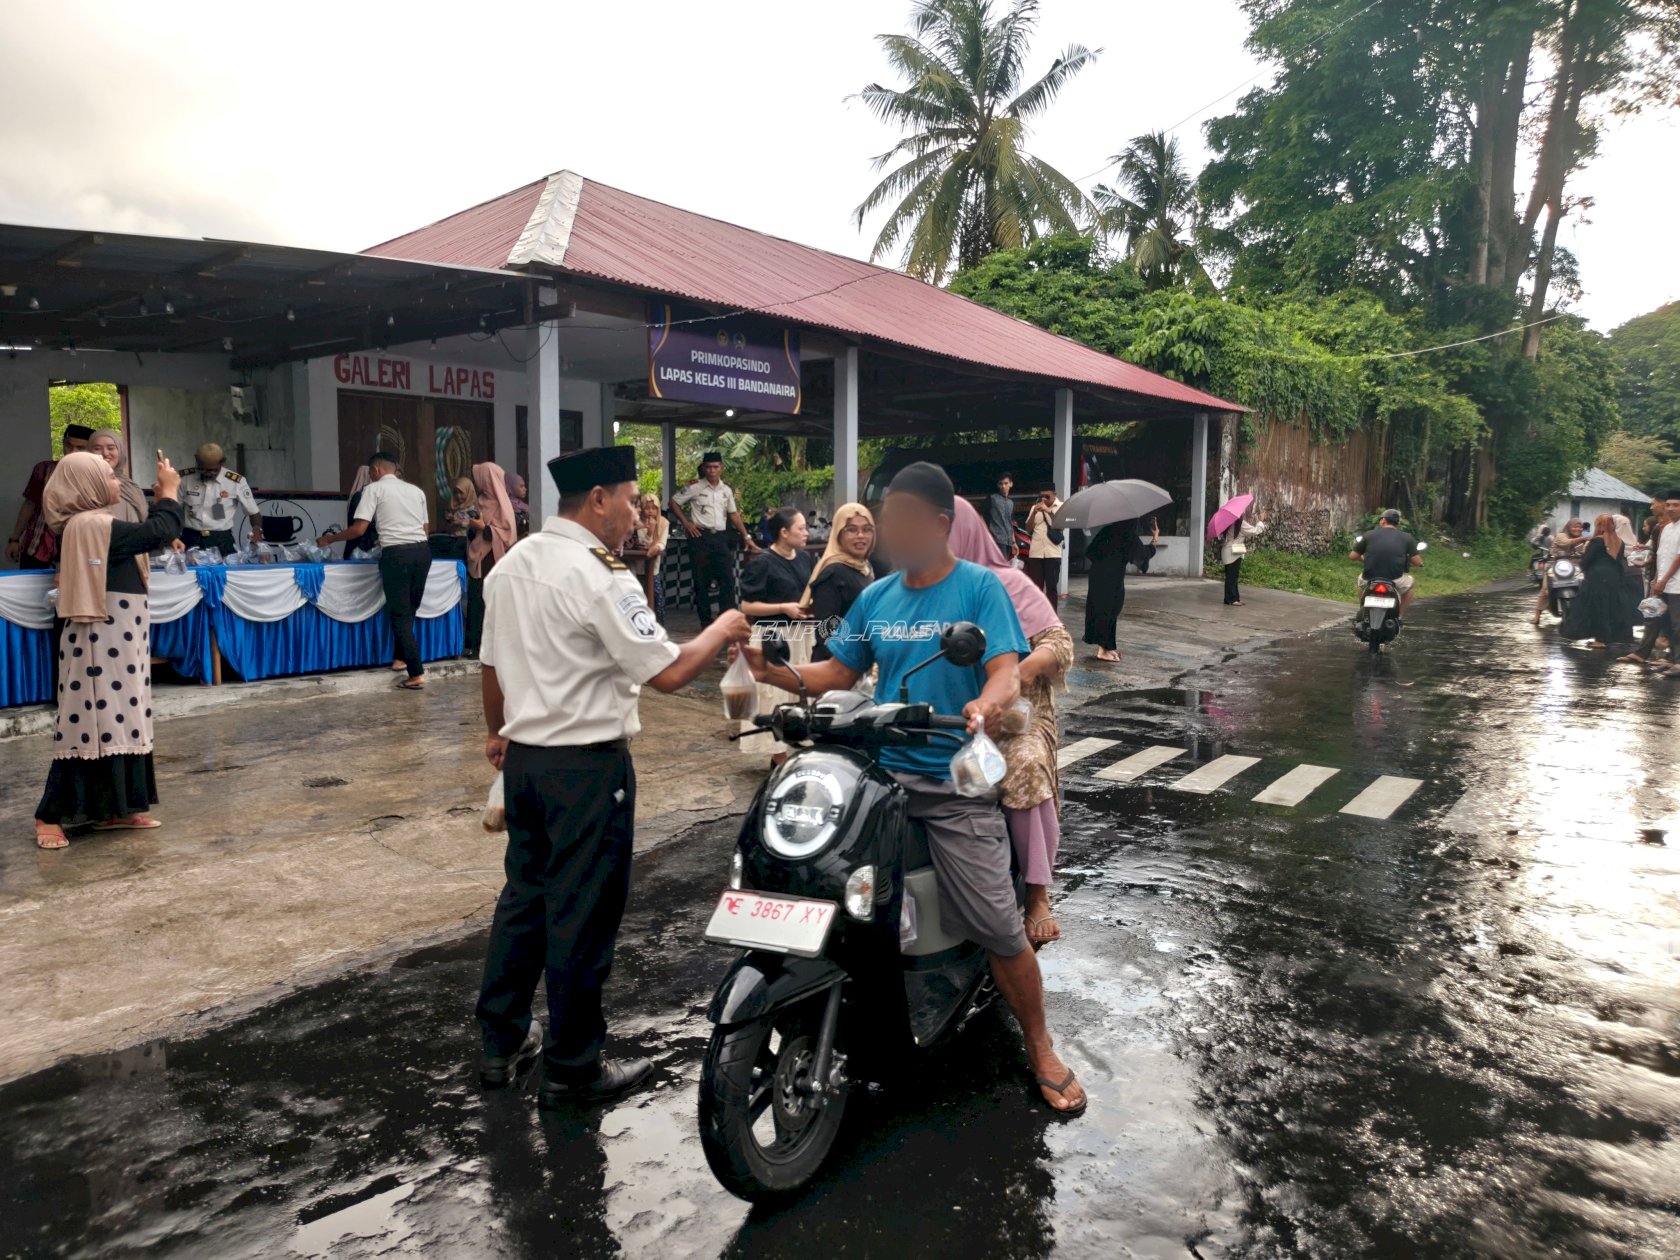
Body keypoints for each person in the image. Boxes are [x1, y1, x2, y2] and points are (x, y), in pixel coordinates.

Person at [745, 461, 1086, 1116]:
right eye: (885, 519)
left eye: (901, 519)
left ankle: (1040, 1045)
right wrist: (774, 673)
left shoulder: (981, 589)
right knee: (817, 876)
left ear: (938, 524)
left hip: (952, 778)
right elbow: (836, 672)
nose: (889, 532)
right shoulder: (877, 597)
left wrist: (987, 703)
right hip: (879, 775)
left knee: (998, 925)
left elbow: (1005, 670)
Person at [475, 444, 750, 1106]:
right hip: (586, 770)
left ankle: (500, 1045)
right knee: (581, 914)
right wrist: (723, 627)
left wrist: (497, 733)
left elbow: (491, 667)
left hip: (527, 762)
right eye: (630, 500)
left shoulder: (513, 565)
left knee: (524, 903)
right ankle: (573, 1068)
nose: (636, 514)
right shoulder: (601, 574)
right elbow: (669, 672)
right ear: (598, 499)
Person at [32, 451, 183, 849]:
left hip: (121, 636)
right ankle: (49, 814)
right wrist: (168, 494)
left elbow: (150, 535)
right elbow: (159, 531)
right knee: (90, 722)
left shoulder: (98, 524)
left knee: (124, 720)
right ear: (87, 487)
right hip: (100, 641)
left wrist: (161, 502)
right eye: (109, 477)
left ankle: (117, 808)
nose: (116, 482)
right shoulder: (89, 524)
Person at [950, 498, 1073, 946]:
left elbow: (1060, 644)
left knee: (1023, 764)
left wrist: (1020, 671)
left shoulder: (1008, 583)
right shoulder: (921, 590)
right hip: (949, 712)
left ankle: (1037, 894)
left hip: (1020, 716)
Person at [317, 453, 432, 690]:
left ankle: (416, 673)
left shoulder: (373, 489)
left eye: (370, 472)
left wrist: (330, 539)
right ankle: (400, 659)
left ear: (377, 469)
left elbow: (359, 529)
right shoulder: (416, 491)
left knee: (399, 614)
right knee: (410, 609)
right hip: (422, 552)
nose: (370, 476)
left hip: (396, 555)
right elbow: (425, 529)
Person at [738, 506, 817, 758]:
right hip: (774, 636)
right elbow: (746, 606)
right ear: (784, 532)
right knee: (774, 695)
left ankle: (800, 748)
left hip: (801, 634)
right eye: (801, 528)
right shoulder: (763, 563)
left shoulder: (805, 559)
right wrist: (783, 608)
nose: (806, 532)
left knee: (800, 691)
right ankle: (778, 756)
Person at [669, 452, 757, 624]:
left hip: (720, 537)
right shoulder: (695, 487)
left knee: (727, 578)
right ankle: (706, 621)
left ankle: (726, 620)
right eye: (708, 467)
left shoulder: (726, 490)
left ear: (721, 468)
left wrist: (746, 536)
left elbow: (733, 514)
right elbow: (673, 503)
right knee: (701, 580)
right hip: (700, 536)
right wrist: (687, 523)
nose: (712, 470)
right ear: (703, 468)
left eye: (715, 467)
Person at [8, 423, 93, 569]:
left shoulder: (96, 478)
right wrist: (14, 539)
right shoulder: (44, 469)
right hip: (36, 547)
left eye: (80, 448)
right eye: (69, 446)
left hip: (75, 551)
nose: (72, 452)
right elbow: (29, 505)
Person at [801, 502, 875, 662]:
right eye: (852, 530)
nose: (861, 535)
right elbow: (827, 634)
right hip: (837, 666)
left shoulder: (864, 567)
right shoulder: (833, 573)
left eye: (867, 529)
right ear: (838, 534)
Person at [1622, 490, 1680, 674]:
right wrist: (1657, 579)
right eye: (1669, 505)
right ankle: (1669, 659)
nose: (1671, 508)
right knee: (1658, 618)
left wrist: (1663, 579)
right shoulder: (1667, 528)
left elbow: (1678, 558)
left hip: (1676, 585)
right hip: (1663, 583)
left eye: (1676, 505)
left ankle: (1677, 662)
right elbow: (1661, 556)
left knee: (1677, 624)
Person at [1559, 513, 1636, 650]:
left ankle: (1600, 640)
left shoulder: (1597, 541)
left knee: (1598, 607)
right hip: (1615, 577)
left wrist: (1581, 566)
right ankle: (1612, 637)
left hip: (1597, 578)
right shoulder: (1619, 541)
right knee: (1611, 607)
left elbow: (1587, 559)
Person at [465, 463, 517, 657]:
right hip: (479, 559)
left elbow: (508, 534)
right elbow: (473, 534)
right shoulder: (480, 502)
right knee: (476, 601)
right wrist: (472, 527)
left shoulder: (502, 503)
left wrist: (483, 528)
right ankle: (474, 644)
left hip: (493, 560)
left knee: (490, 602)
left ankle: (490, 646)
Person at [177, 442, 262, 553]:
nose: (207, 474)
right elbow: (173, 509)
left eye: (213, 470)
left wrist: (257, 530)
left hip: (222, 540)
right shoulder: (184, 479)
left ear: (222, 463)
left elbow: (253, 512)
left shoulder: (236, 482)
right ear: (196, 460)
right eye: (202, 469)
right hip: (190, 538)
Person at [1351, 509, 1423, 619]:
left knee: (1360, 582)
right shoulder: (1407, 537)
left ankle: (1363, 609)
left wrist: (1364, 559)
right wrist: (1420, 564)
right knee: (1411, 584)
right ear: (1398, 523)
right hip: (1395, 580)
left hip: (1369, 579)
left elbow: (1353, 556)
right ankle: (1399, 616)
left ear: (1383, 520)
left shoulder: (1369, 535)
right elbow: (1417, 561)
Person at [1082, 518, 1135, 663]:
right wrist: (1155, 539)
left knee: (1101, 609)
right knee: (1110, 610)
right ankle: (1102, 650)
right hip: (1112, 578)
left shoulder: (1107, 531)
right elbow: (1141, 556)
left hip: (1097, 575)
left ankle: (1107, 647)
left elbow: (1090, 552)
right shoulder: (1128, 534)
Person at [622, 493, 670, 622]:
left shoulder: (663, 523)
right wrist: (649, 532)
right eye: (647, 508)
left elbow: (662, 543)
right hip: (635, 569)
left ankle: (658, 627)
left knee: (656, 601)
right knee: (636, 600)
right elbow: (641, 545)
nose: (650, 511)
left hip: (652, 569)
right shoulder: (635, 523)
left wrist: (656, 546)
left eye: (654, 508)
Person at [1533, 517, 1588, 625]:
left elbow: (1584, 552)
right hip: (1554, 565)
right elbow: (1566, 543)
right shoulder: (1562, 535)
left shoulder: (1582, 540)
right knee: (1545, 590)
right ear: (1569, 527)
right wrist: (1583, 539)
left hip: (1571, 567)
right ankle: (1537, 616)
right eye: (1574, 527)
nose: (1577, 529)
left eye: (1580, 527)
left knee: (1583, 582)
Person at [87, 430, 148, 524]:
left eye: (111, 448)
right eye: (97, 448)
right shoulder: (84, 486)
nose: (105, 453)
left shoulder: (129, 485)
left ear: (120, 451)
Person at [1024, 489, 1063, 609]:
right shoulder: (1035, 507)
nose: (1044, 499)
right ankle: (1038, 615)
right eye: (1041, 496)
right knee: (1037, 588)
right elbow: (1028, 528)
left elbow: (1061, 525)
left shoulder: (1061, 507)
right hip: (1036, 553)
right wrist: (1034, 513)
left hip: (1053, 553)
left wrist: (1048, 511)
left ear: (1054, 495)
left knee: (1051, 587)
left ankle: (1052, 616)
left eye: (1047, 496)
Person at [1219, 508, 1266, 606]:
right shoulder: (1240, 523)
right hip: (1233, 552)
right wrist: (1260, 521)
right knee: (1232, 576)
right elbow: (1255, 531)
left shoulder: (1228, 523)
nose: (1243, 514)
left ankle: (1234, 598)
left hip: (1227, 550)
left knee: (1232, 576)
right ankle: (1231, 599)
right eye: (1242, 512)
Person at [986, 472, 1017, 565]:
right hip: (996, 540)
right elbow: (980, 517)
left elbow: (1010, 523)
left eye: (1006, 483)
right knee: (999, 567)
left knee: (1004, 566)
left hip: (1007, 542)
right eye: (1001, 484)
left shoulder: (1011, 503)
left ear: (1011, 484)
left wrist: (1013, 542)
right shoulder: (992, 499)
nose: (1003, 486)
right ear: (998, 485)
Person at [505, 471, 531, 538]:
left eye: (524, 486)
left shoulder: (524, 505)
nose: (525, 489)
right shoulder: (506, 506)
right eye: (521, 486)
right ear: (512, 487)